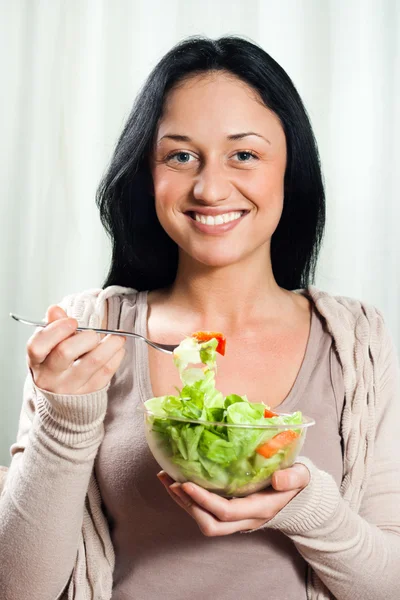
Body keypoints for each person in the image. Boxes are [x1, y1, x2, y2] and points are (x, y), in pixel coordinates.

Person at [0, 35, 399, 600]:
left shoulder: (356, 341)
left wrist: (311, 511)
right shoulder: (87, 335)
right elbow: (19, 590)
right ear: (149, 173)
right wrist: (65, 420)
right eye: (180, 155)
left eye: (244, 154)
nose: (210, 188)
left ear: (290, 169)